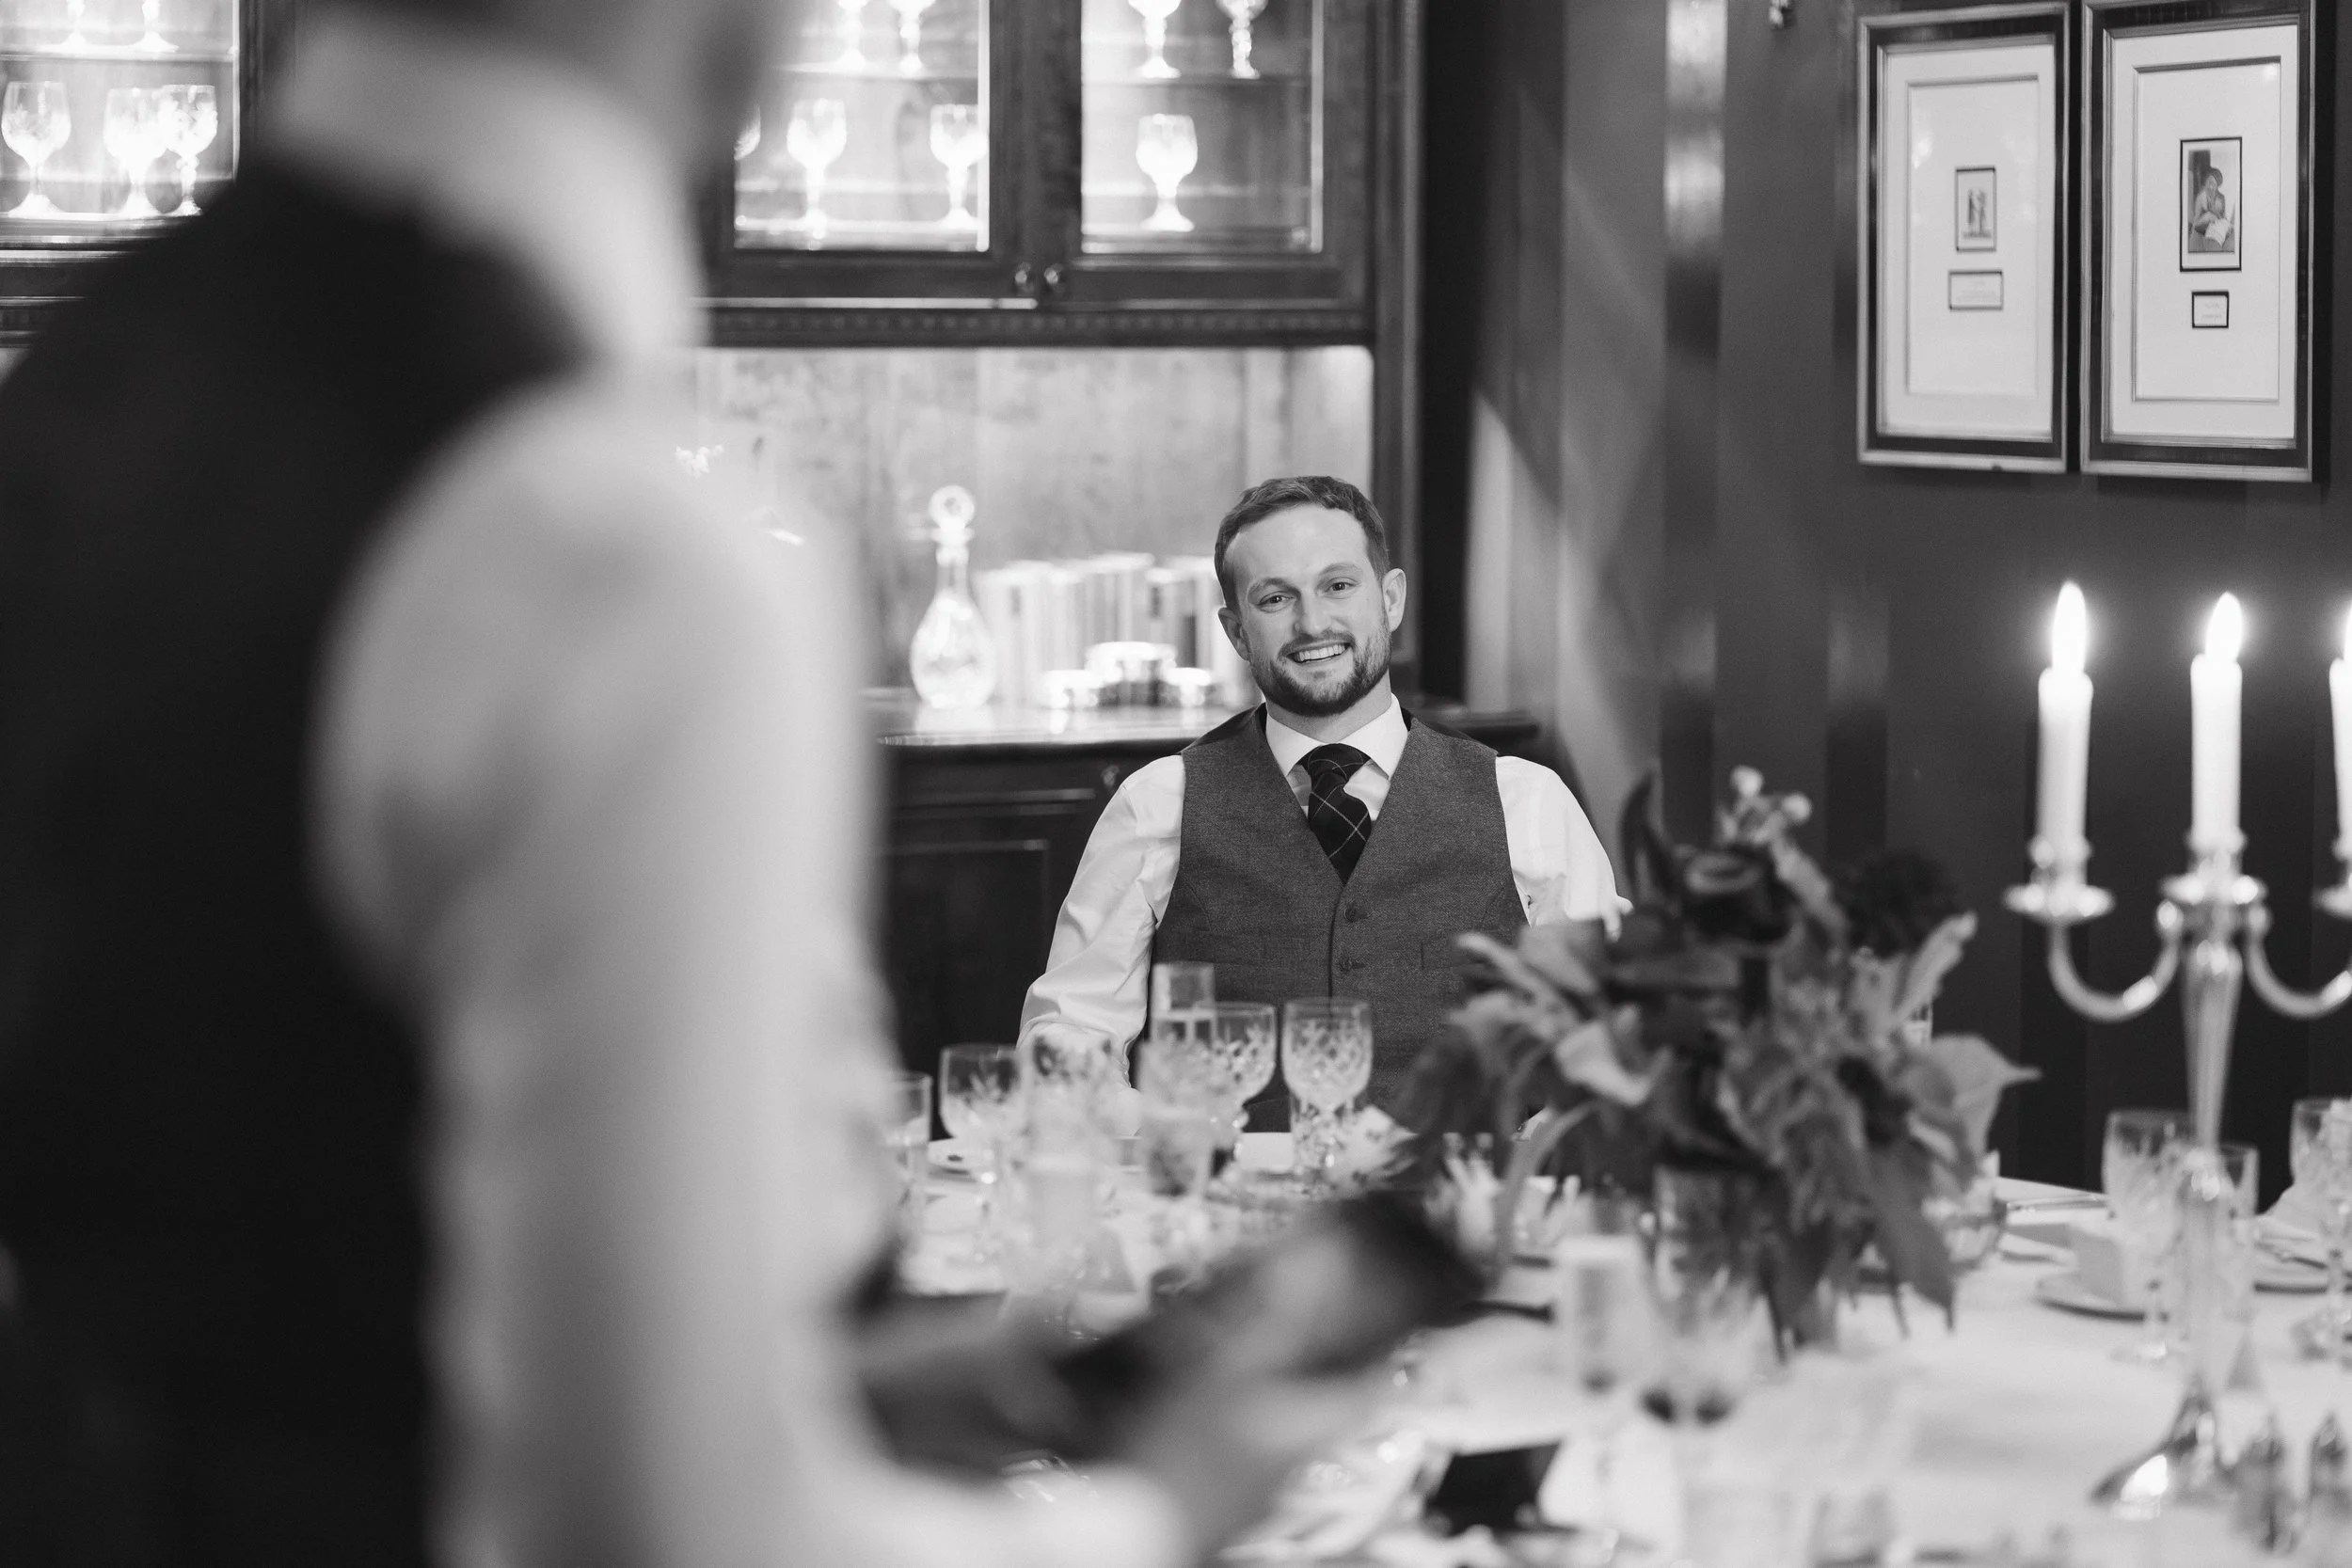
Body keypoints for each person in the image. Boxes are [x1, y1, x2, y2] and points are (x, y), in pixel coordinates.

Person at [0, 0, 1359, 1563]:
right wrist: (1157, 1513)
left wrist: (827, 1398)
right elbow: (670, 1536)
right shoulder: (619, 551)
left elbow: (272, 1259)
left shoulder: (84, 390)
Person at [1021, 476, 1620, 1109]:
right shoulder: (1156, 805)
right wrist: (1154, 1132)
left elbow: (1613, 1031)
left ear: (1390, 599)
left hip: (1449, 1202)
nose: (1312, 623)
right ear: (1236, 631)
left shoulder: (1527, 803)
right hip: (1229, 1199)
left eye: (1338, 586)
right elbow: (1068, 1037)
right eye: (1276, 598)